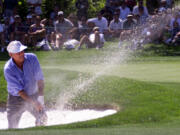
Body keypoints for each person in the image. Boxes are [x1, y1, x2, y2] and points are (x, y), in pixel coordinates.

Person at [4, 40, 47, 129]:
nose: (21, 54)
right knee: (12, 126)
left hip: (33, 94)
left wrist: (40, 98)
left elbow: (40, 79)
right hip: (15, 99)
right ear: (11, 54)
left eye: (22, 51)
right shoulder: (8, 69)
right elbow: (20, 91)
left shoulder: (32, 58)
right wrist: (34, 103)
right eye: (18, 52)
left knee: (43, 118)